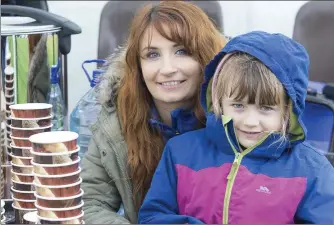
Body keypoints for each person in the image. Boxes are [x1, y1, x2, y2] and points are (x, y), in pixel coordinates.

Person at [138, 31, 334, 224]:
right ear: (218, 102)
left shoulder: (312, 169)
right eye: (238, 106)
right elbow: (152, 216)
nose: (251, 121)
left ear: (288, 110)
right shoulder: (180, 151)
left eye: (266, 108)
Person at [80, 1, 226, 224]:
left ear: (205, 57)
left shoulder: (237, 117)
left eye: (182, 51)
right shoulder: (117, 119)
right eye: (152, 55)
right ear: (137, 65)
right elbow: (89, 202)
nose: (167, 69)